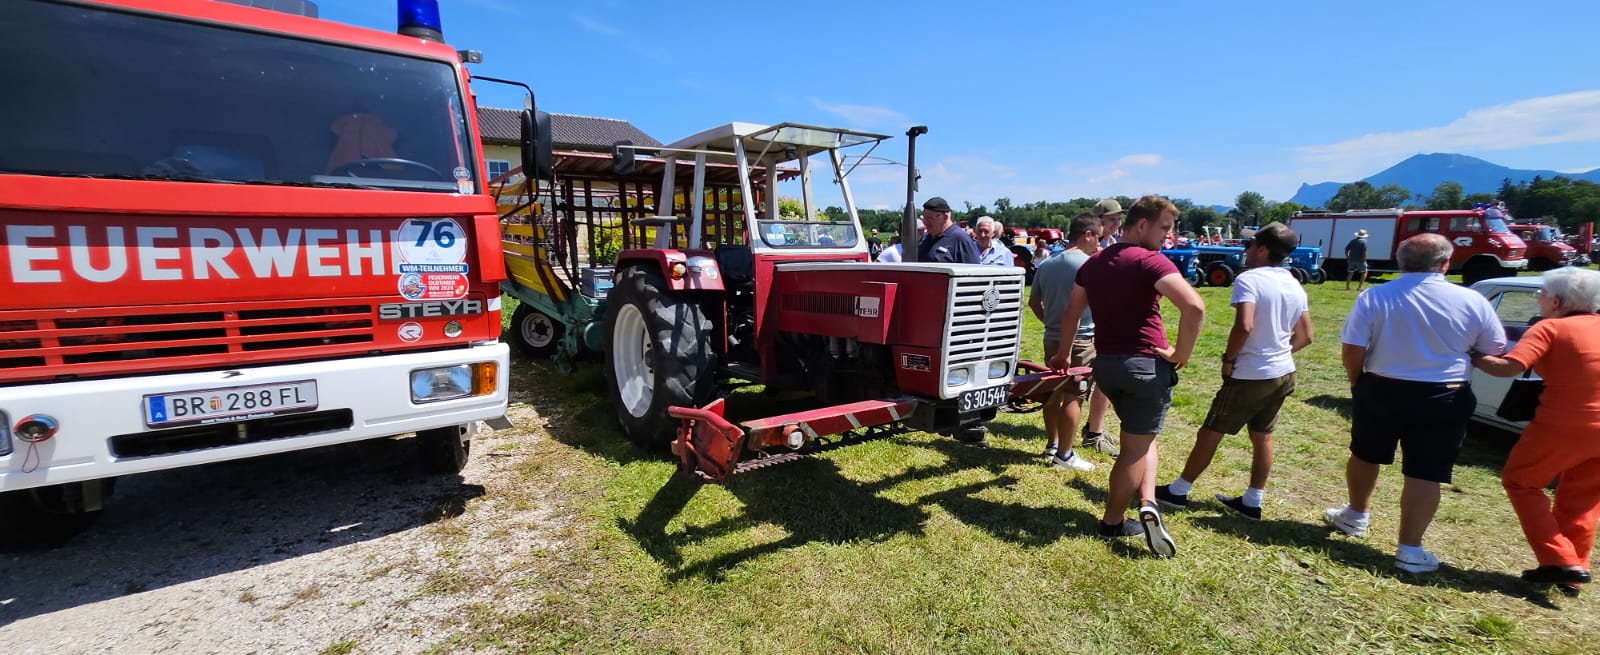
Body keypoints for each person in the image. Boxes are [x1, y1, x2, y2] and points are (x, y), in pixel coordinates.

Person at [1325, 233, 1506, 574]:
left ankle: (1356, 515)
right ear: (1446, 264)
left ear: (1400, 262)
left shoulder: (1375, 296)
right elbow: (1494, 348)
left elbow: (1352, 348)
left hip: (1382, 387)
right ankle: (1409, 549)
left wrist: (1357, 381)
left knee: (1365, 454)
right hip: (1445, 394)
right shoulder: (1472, 300)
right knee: (1426, 471)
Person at [1052, 195, 1206, 557]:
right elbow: (1194, 307)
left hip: (1106, 366)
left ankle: (1148, 501)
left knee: (1142, 439)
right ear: (1141, 224)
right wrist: (1180, 355)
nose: (1168, 236)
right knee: (1134, 450)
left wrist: (1063, 353)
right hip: (1145, 367)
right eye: (1164, 228)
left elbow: (1072, 312)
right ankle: (1113, 521)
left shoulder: (1093, 263)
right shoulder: (1151, 261)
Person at [1156, 223, 1314, 520]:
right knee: (1262, 436)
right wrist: (1278, 353)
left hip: (1250, 374)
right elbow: (1306, 335)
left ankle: (1178, 491)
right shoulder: (1294, 282)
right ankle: (1252, 501)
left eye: (1250, 245)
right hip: (1283, 373)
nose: (1246, 250)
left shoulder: (1250, 279)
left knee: (1211, 430)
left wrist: (1229, 359)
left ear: (1263, 249)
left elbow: (1244, 325)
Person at [1471, 267, 1600, 590]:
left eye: (1541, 295)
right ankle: (1573, 571)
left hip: (1563, 424)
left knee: (1520, 481)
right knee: (1583, 499)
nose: (1539, 300)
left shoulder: (1549, 327)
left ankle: (1561, 561)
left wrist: (1471, 354)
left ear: (1556, 301)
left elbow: (1507, 368)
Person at [1028, 215, 1102, 472]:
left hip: (1051, 337)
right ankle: (1065, 454)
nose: (1099, 244)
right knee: (1074, 395)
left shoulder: (1047, 263)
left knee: (1054, 392)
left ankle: (1052, 443)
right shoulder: (1090, 265)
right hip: (1081, 339)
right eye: (1098, 237)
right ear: (1087, 235)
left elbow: (1033, 302)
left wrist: (1049, 322)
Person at [917, 197, 981, 264]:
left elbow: (973, 269)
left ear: (945, 217)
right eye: (924, 217)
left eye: (930, 218)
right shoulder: (925, 238)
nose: (925, 222)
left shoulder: (961, 239)